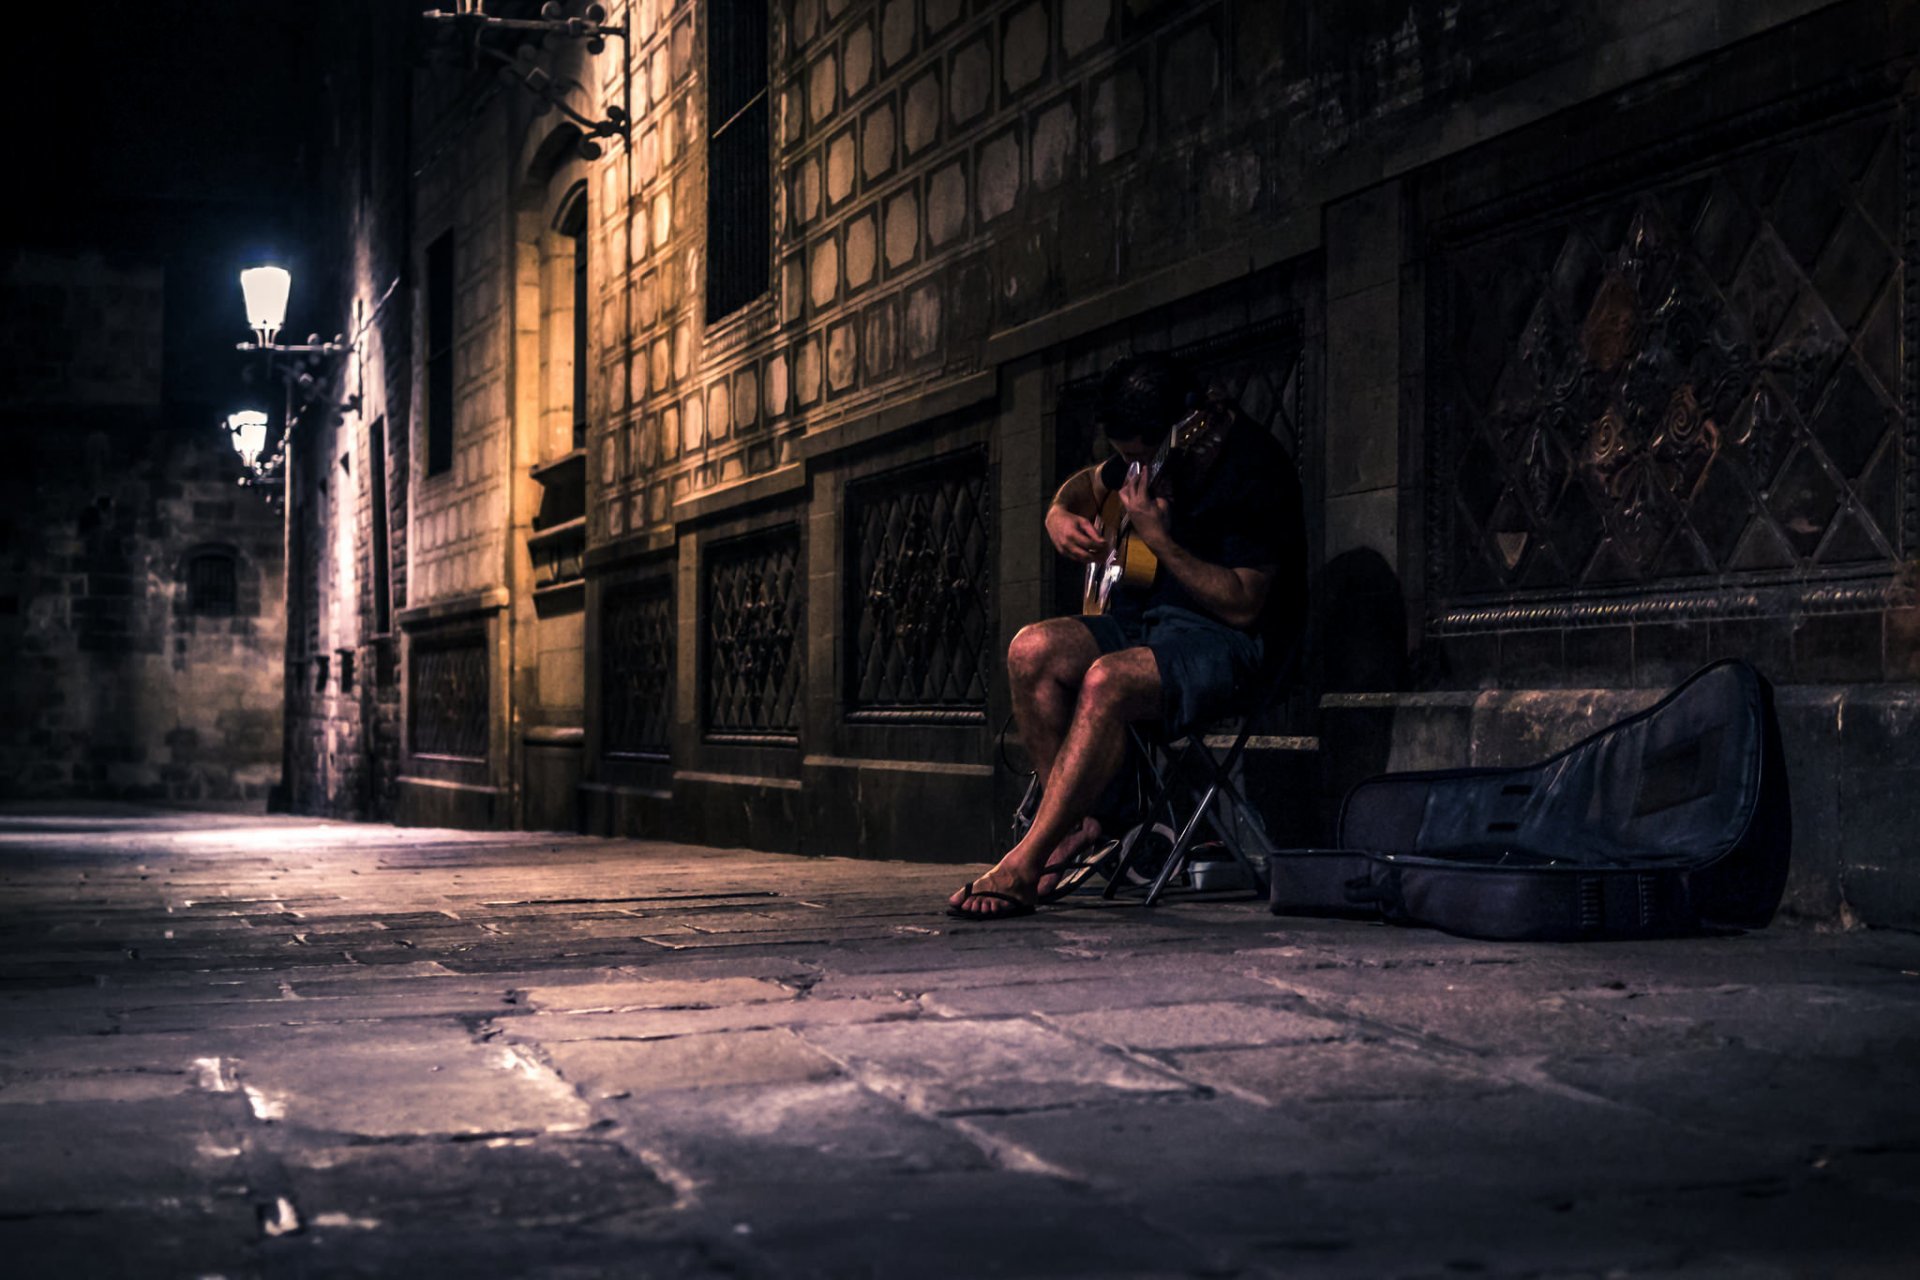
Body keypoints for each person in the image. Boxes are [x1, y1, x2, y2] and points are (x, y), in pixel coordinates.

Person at [948, 351, 1308, 920]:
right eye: (1124, 455)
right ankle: (1084, 819)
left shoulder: (1252, 469)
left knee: (1107, 681)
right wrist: (1058, 513)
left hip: (1227, 645)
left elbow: (1244, 605)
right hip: (1147, 626)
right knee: (1030, 650)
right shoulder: (1147, 460)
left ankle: (1027, 860)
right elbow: (1088, 484)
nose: (1130, 468)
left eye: (1137, 454)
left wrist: (1158, 540)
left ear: (1182, 427)